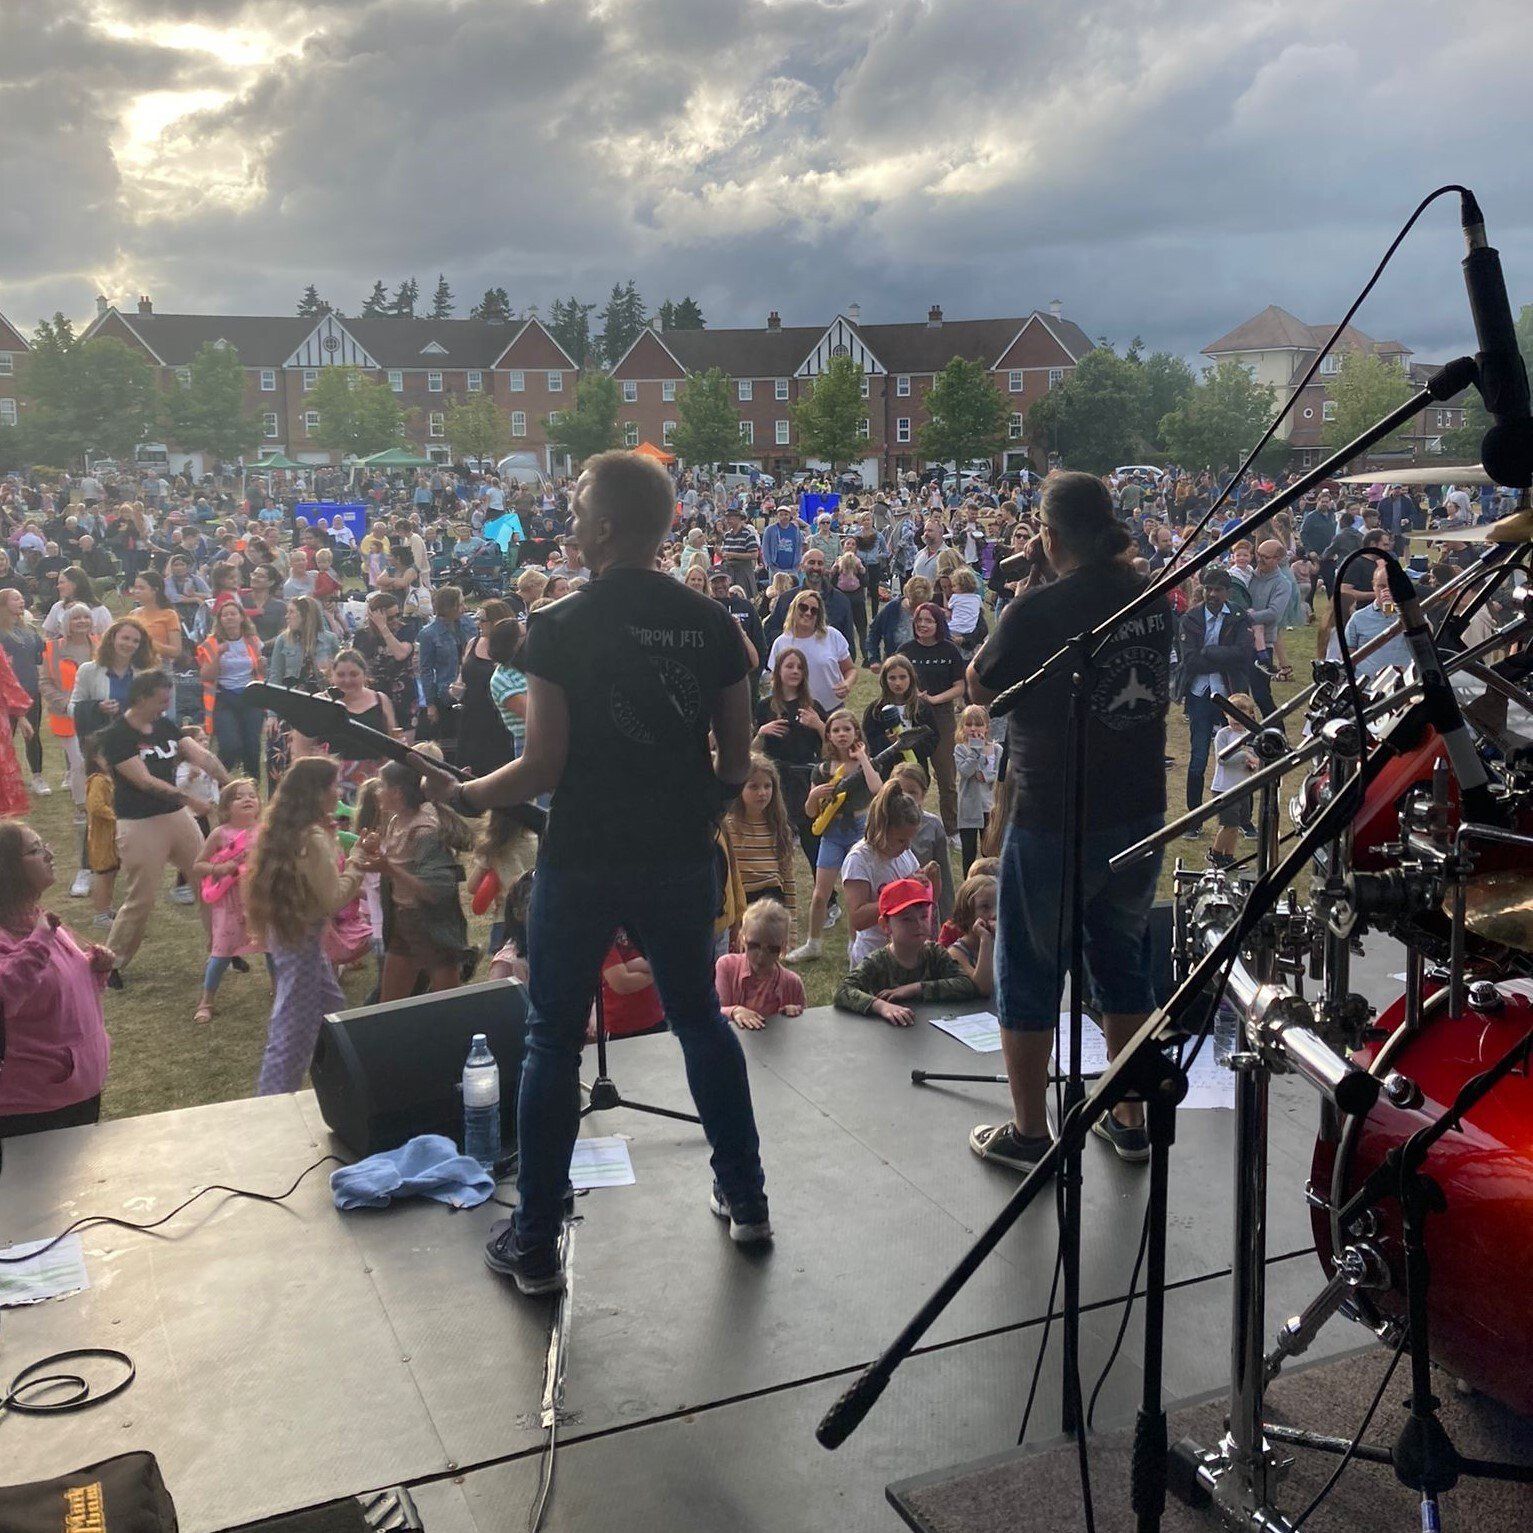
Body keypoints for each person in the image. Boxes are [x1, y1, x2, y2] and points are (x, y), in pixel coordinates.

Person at [419, 450, 769, 1294]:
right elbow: (735, 758)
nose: (570, 516)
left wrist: (465, 792)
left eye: (578, 505)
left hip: (581, 856)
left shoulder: (559, 622)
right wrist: (701, 811)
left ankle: (536, 1239)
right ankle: (748, 1198)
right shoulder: (712, 622)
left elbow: (542, 764)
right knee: (699, 1021)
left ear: (605, 526)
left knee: (550, 1037)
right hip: (677, 856)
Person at [966, 471, 1174, 1171]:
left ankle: (1031, 1133)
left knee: (1027, 966)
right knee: (1122, 957)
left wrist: (1028, 591)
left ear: (1049, 536)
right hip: (1139, 809)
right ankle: (1129, 1119)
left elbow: (980, 685)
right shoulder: (1149, 596)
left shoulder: (1038, 608)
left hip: (1055, 814)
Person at [246, 757, 368, 1096]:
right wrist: (357, 862)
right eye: (334, 785)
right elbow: (332, 898)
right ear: (317, 792)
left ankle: (339, 1087)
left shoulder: (291, 829)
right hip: (302, 938)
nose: (338, 792)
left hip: (294, 933)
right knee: (292, 1030)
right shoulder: (311, 837)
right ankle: (272, 1101)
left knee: (332, 1009)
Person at [98, 670, 228, 982]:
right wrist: (189, 799)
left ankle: (221, 949)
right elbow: (143, 781)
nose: (166, 705)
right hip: (139, 822)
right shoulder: (117, 735)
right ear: (141, 698)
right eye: (161, 700)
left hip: (176, 816)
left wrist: (229, 783)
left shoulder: (165, 725)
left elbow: (201, 755)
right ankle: (112, 963)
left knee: (207, 881)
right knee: (141, 898)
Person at [0, 822, 114, 1135]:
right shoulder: (35, 931)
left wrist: (94, 970)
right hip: (33, 1106)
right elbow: (6, 993)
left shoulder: (40, 920)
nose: (50, 854)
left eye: (45, 845)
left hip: (76, 1090)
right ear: (7, 868)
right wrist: (39, 941)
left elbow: (58, 991)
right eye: (35, 850)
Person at [360, 759, 473, 1001]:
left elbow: (436, 890)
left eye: (382, 786)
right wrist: (375, 852)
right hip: (403, 922)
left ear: (397, 793)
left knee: (452, 1004)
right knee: (390, 1005)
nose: (377, 792)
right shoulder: (395, 821)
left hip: (432, 927)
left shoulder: (424, 831)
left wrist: (388, 868)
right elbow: (396, 864)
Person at [787, 709, 883, 963]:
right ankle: (813, 943)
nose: (842, 735)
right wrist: (813, 796)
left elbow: (877, 789)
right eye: (836, 730)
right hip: (832, 833)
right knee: (820, 894)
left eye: (847, 729)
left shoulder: (865, 764)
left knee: (856, 895)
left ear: (856, 733)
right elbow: (810, 812)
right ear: (828, 735)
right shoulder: (821, 770)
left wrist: (863, 758)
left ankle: (855, 944)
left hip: (860, 831)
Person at [833, 877, 979, 1025]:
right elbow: (843, 990)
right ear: (885, 926)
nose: (918, 924)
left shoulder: (935, 954)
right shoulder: (878, 962)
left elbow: (966, 985)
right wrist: (881, 1006)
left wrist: (915, 989)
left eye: (924, 916)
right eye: (907, 919)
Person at [1174, 567, 1255, 817]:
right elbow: (1190, 661)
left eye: (1218, 590)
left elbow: (1245, 654)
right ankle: (1194, 816)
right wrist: (1224, 657)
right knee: (1198, 757)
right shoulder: (1191, 618)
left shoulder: (1239, 616)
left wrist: (1209, 652)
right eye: (1208, 589)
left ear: (1228, 592)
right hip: (1199, 693)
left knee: (1242, 753)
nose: (1212, 594)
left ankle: (1244, 818)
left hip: (1231, 694)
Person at [190, 778, 264, 1024]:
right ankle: (206, 1001)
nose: (247, 799)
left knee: (272, 949)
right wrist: (219, 869)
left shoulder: (265, 830)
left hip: (260, 901)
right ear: (225, 807)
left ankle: (280, 991)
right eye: (239, 797)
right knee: (221, 953)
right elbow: (198, 865)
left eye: (251, 795)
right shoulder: (220, 834)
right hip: (230, 904)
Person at [897, 602, 967, 833]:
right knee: (911, 774)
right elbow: (894, 678)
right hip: (912, 715)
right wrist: (911, 694)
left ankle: (951, 829)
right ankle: (910, 823)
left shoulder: (949, 650)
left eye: (929, 620)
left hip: (942, 715)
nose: (923, 625)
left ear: (939, 624)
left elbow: (960, 686)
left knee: (947, 777)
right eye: (919, 620)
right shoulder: (905, 650)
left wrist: (935, 699)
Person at [722, 754, 798, 941]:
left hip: (773, 902)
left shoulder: (779, 827)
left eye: (767, 786)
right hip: (743, 901)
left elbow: (788, 878)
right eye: (753, 787)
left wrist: (791, 928)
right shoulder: (728, 827)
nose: (762, 793)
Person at [198, 600, 266, 783]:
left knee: (252, 745)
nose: (229, 618)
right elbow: (206, 676)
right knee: (230, 745)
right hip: (224, 697)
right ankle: (220, 783)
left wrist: (262, 665)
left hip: (250, 695)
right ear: (219, 619)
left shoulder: (252, 641)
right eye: (225, 615)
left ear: (242, 617)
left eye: (233, 614)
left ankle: (252, 786)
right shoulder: (211, 643)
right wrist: (218, 655)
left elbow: (260, 671)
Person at [714, 899, 806, 1029]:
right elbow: (713, 1012)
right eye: (754, 946)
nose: (762, 956)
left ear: (784, 947)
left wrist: (794, 1014)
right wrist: (734, 1011)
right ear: (742, 939)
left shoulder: (792, 984)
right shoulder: (726, 966)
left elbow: (803, 1029)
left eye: (772, 949)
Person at [766, 589, 855, 714]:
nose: (808, 613)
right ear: (793, 609)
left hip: (832, 709)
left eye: (814, 610)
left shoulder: (832, 635)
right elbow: (775, 679)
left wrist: (847, 684)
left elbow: (850, 669)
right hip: (797, 711)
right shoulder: (781, 642)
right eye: (803, 607)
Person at [1209, 693, 1259, 870]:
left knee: (1236, 826)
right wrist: (1245, 755)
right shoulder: (1223, 735)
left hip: (1242, 788)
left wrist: (1252, 765)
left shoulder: (1251, 736)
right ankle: (1215, 854)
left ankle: (1229, 857)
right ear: (1225, 714)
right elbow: (1223, 760)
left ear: (1251, 716)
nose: (1237, 720)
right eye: (1233, 715)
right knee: (1228, 825)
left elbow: (1254, 762)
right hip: (1224, 788)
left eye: (1242, 716)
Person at [1343, 560, 1414, 681]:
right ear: (1373, 586)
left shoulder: (1411, 613)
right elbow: (1349, 654)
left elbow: (1428, 637)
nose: (1386, 591)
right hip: (1368, 684)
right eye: (1381, 586)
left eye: (1391, 586)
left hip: (1403, 683)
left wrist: (1400, 609)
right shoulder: (1358, 618)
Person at [954, 702, 1000, 872]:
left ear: (986, 728)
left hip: (990, 806)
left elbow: (997, 774)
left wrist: (984, 775)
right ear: (962, 727)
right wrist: (975, 752)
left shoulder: (997, 749)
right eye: (968, 724)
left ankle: (990, 881)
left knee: (989, 850)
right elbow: (965, 771)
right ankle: (968, 882)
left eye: (978, 724)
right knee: (969, 852)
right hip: (968, 808)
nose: (973, 728)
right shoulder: (960, 749)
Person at [944, 872, 997, 993]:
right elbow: (983, 988)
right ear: (967, 913)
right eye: (985, 907)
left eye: (998, 905)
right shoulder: (956, 952)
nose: (995, 914)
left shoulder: (1001, 945)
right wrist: (985, 940)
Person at [127, 569, 183, 664]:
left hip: (158, 664)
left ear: (155, 590)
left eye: (141, 588)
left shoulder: (169, 614)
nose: (136, 591)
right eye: (135, 588)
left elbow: (176, 651)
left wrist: (150, 644)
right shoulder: (133, 614)